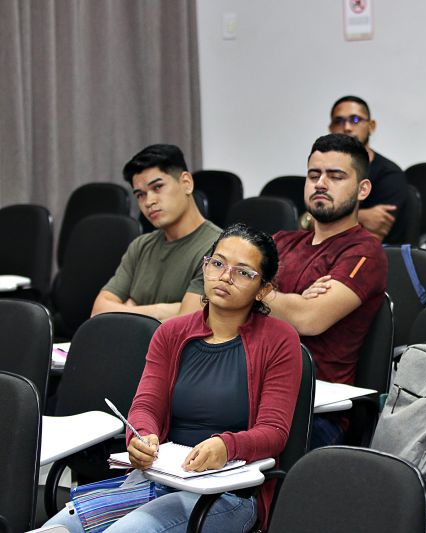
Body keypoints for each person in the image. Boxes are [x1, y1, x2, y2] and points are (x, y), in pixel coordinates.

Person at [45, 223, 302, 532]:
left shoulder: (279, 339)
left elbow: (274, 432)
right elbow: (146, 406)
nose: (225, 277)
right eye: (218, 263)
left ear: (263, 289)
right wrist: (142, 436)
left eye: (243, 272)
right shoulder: (171, 332)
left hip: (227, 493)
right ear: (205, 266)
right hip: (157, 480)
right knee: (57, 527)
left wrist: (226, 446)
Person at [269, 133, 388, 448]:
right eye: (313, 175)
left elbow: (309, 319)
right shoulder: (281, 242)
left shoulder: (364, 251)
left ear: (363, 189)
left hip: (316, 413)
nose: (320, 184)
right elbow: (220, 298)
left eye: (335, 176)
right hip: (256, 390)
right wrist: (289, 302)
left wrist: (254, 292)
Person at [91, 144, 221, 321]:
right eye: (140, 195)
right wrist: (165, 310)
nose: (149, 201)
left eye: (158, 187)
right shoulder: (140, 246)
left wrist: (129, 308)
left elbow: (188, 323)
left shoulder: (218, 249)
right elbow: (98, 312)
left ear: (186, 183)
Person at [320, 95, 408, 244]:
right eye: (339, 121)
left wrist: (321, 219)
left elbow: (369, 239)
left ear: (371, 126)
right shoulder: (323, 172)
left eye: (355, 120)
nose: (347, 127)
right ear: (331, 129)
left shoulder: (389, 175)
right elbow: (303, 225)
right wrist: (359, 216)